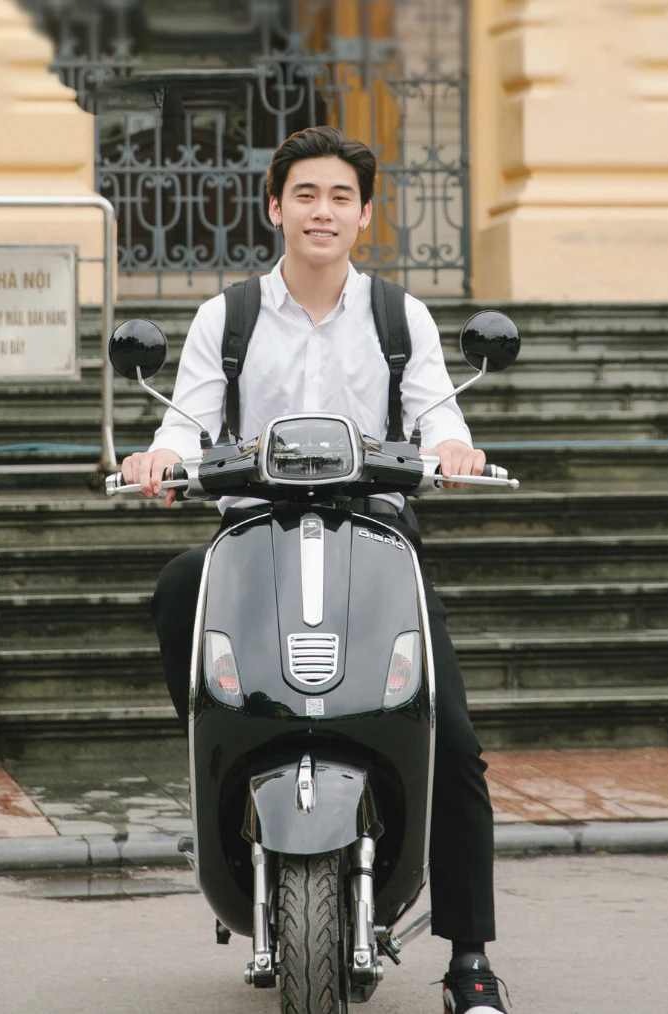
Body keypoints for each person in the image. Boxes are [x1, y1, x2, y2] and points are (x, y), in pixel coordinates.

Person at [118, 125, 509, 1014]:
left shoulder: (398, 317)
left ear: (365, 214)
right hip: (255, 538)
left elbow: (437, 414)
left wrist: (454, 449)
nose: (321, 212)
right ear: (274, 208)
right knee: (179, 585)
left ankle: (470, 960)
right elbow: (185, 421)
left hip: (375, 540)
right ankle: (223, 748)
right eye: (305, 195)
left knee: (453, 741)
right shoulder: (229, 317)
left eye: (340, 197)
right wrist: (160, 458)